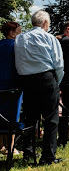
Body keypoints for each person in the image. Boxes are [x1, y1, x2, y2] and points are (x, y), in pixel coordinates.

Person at [15, 10, 64, 165]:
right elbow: (58, 63)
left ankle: (28, 152)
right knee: (50, 118)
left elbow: (19, 61)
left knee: (29, 117)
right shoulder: (49, 38)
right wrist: (57, 81)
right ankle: (48, 156)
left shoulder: (20, 39)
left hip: (27, 80)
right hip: (46, 78)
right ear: (45, 23)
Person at [0, 21, 22, 155]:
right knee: (13, 114)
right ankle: (11, 148)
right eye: (19, 32)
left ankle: (0, 145)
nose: (21, 34)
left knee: (0, 114)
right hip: (14, 84)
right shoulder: (17, 46)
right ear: (12, 33)